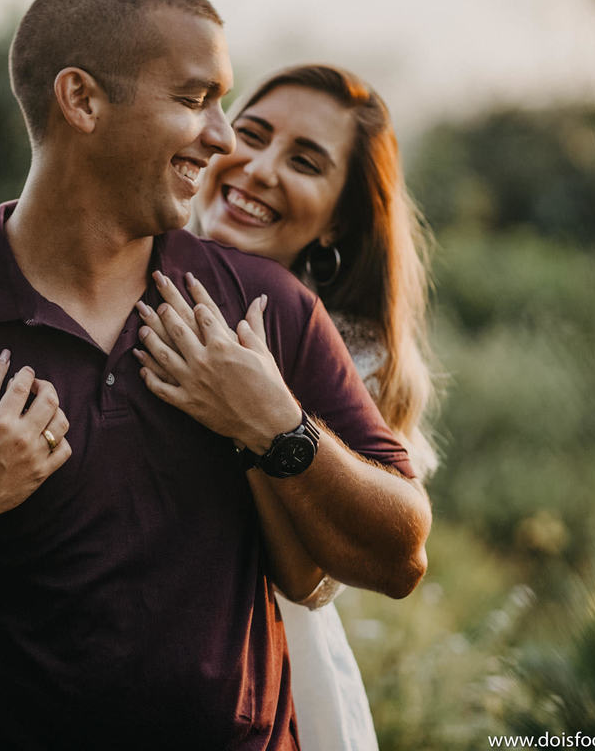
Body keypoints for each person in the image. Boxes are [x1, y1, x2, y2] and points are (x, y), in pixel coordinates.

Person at [0, 0, 431, 750]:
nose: (222, 139)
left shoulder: (268, 312)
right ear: (81, 100)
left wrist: (278, 423)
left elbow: (401, 555)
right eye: (195, 100)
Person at [133, 64, 438, 750]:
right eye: (252, 134)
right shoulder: (124, 270)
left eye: (304, 161)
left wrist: (263, 419)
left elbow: (309, 578)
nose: (259, 168)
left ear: (336, 221)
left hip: (268, 685)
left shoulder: (351, 356)